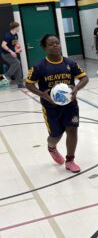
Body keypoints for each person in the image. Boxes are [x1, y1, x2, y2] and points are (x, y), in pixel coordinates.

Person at [25, 34, 89, 173]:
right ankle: (51, 147)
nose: (55, 45)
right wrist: (42, 94)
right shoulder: (38, 67)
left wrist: (76, 88)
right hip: (51, 107)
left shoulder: (70, 64)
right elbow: (28, 84)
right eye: (51, 44)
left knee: (72, 129)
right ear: (45, 48)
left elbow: (84, 78)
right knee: (56, 135)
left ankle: (70, 160)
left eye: (57, 43)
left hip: (70, 105)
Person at [1, 21, 24, 88]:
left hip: (11, 53)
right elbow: (3, 45)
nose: (19, 28)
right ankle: (6, 76)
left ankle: (20, 84)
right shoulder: (8, 35)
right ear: (15, 27)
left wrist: (18, 49)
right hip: (5, 54)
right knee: (17, 62)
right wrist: (11, 52)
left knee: (18, 67)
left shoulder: (15, 35)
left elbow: (15, 44)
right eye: (18, 27)